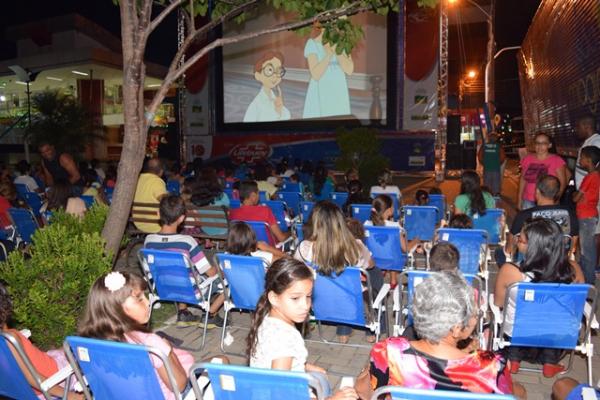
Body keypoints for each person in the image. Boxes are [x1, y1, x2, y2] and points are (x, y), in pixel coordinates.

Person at [366, 272, 524, 398]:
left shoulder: (389, 351)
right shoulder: (491, 366)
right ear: (456, 329)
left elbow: (365, 392)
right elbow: (513, 395)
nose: (476, 319)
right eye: (475, 314)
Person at [247, 258, 359, 400]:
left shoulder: (268, 320)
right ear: (274, 298)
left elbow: (275, 362)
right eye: (295, 298)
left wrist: (304, 365)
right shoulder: (285, 337)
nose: (305, 305)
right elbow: (280, 395)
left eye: (308, 296)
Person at [79, 272, 195, 400]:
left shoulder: (89, 344)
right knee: (219, 360)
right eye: (139, 299)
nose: (148, 303)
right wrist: (169, 352)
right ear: (116, 308)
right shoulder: (151, 344)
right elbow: (179, 386)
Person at [494, 218, 584, 378]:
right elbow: (578, 306)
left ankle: (513, 361)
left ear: (533, 247)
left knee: (509, 319)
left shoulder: (511, 271)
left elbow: (499, 303)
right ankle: (550, 363)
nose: (516, 241)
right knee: (553, 319)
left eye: (519, 239)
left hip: (517, 339)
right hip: (557, 341)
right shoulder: (574, 270)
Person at [294, 201, 380, 343]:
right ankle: (372, 323)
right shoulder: (355, 246)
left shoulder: (304, 247)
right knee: (374, 272)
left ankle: (343, 328)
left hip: (318, 303)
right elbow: (370, 265)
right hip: (352, 303)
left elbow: (296, 270)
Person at [144, 195, 224, 327]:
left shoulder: (149, 241)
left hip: (163, 289)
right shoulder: (187, 242)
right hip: (192, 292)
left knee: (180, 273)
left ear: (158, 214)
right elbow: (210, 272)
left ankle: (183, 313)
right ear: (181, 218)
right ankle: (211, 315)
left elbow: (148, 270)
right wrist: (221, 271)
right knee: (227, 277)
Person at [0, 281, 83, 399]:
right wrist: (70, 396)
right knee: (83, 349)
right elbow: (33, 378)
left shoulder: (6, 341)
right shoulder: (9, 339)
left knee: (64, 348)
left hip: (34, 390)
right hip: (55, 380)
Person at [504, 175, 578, 265]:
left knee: (500, 253)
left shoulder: (524, 215)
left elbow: (510, 247)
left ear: (537, 192)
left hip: (530, 264)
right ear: (558, 193)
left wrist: (507, 251)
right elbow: (573, 244)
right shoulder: (569, 214)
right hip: (559, 264)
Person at [365, 194, 420, 287]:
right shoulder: (395, 226)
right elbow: (406, 249)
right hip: (394, 261)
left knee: (390, 248)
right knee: (395, 250)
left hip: (373, 260)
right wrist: (416, 240)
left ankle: (390, 277)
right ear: (389, 210)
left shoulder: (366, 224)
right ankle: (394, 281)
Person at [302, 23, 353, 118]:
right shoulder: (312, 43)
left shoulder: (343, 43)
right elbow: (316, 75)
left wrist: (337, 51)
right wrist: (329, 55)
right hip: (320, 91)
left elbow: (349, 70)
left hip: (338, 90)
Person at [573, 146, 600, 284]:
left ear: (588, 160)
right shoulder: (595, 176)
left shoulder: (590, 177)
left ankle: (588, 281)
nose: (580, 160)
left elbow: (576, 198)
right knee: (586, 248)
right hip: (589, 215)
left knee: (587, 250)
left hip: (586, 217)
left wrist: (574, 195)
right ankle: (584, 275)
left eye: (582, 157)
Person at [519, 132, 567, 210]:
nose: (540, 146)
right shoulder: (527, 159)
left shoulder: (556, 160)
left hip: (547, 202)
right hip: (528, 200)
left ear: (549, 145)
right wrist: (519, 200)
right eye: (537, 143)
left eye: (543, 143)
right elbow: (522, 180)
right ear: (534, 145)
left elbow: (562, 183)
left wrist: (556, 199)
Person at [243, 51, 291, 122]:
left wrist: (279, 110)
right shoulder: (255, 106)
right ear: (258, 75)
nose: (275, 75)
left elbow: (287, 116)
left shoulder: (275, 98)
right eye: (269, 70)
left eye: (278, 71)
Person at [132, 158, 167, 233]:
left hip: (138, 222)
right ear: (161, 172)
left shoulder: (137, 179)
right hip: (156, 224)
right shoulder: (156, 181)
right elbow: (164, 200)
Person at [575, 114, 600, 189]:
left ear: (587, 127)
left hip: (589, 193)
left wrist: (584, 191)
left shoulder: (597, 142)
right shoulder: (589, 141)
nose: (576, 129)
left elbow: (596, 170)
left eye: (578, 126)